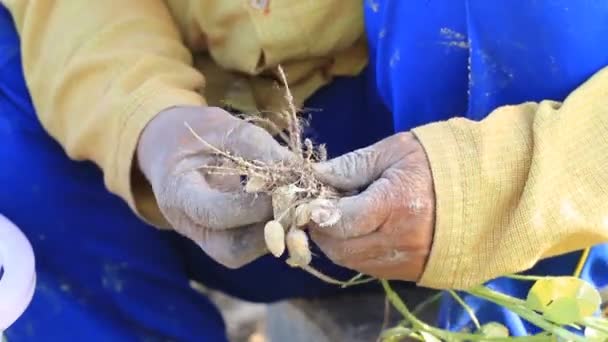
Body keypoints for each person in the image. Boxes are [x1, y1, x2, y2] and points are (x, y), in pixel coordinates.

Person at [1, 0, 608, 340]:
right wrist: (149, 124)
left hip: (497, 135)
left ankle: (510, 318)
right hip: (224, 169)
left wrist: (494, 185)